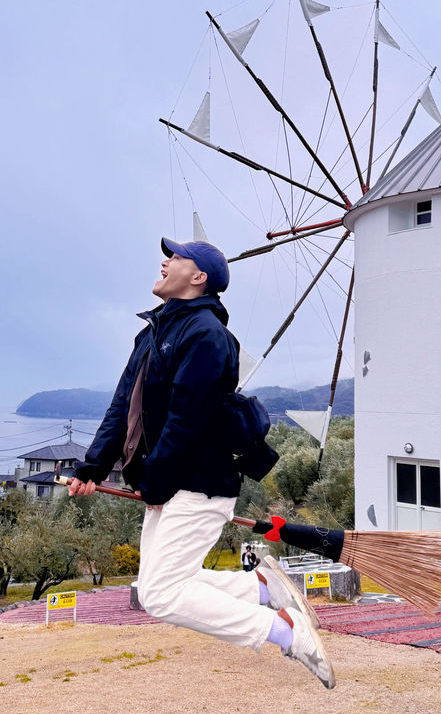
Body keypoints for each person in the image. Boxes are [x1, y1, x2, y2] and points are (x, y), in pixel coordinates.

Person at [68, 237, 334, 689]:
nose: (164, 261)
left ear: (199, 277)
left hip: (197, 484)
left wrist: (155, 482)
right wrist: (93, 468)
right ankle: (262, 589)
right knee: (165, 585)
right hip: (172, 482)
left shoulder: (208, 336)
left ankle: (284, 630)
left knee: (162, 594)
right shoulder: (154, 332)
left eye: (175, 257)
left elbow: (184, 422)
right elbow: (122, 407)